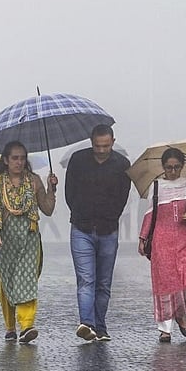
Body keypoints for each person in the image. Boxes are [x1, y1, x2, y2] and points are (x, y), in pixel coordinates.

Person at [0, 141, 58, 344]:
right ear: (6, 160)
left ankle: (27, 325)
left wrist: (51, 189)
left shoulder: (34, 181)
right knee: (7, 281)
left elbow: (48, 209)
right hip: (4, 239)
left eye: (22, 158)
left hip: (29, 237)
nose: (19, 162)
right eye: (15, 158)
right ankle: (10, 327)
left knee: (26, 280)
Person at [65, 124, 132, 342]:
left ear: (113, 142)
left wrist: (110, 216)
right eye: (97, 146)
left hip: (108, 230)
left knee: (103, 282)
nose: (101, 150)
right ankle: (87, 323)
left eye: (105, 146)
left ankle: (100, 326)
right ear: (91, 142)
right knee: (86, 279)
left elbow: (123, 197)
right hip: (81, 228)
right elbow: (70, 193)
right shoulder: (78, 160)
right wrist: (79, 211)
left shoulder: (122, 165)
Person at [137, 148, 186, 343]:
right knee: (165, 284)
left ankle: (182, 316)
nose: (172, 172)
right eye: (168, 168)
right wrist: (142, 238)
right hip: (161, 241)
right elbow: (150, 214)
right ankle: (165, 329)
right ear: (163, 167)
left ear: (182, 167)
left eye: (176, 167)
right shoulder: (156, 186)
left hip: (185, 240)